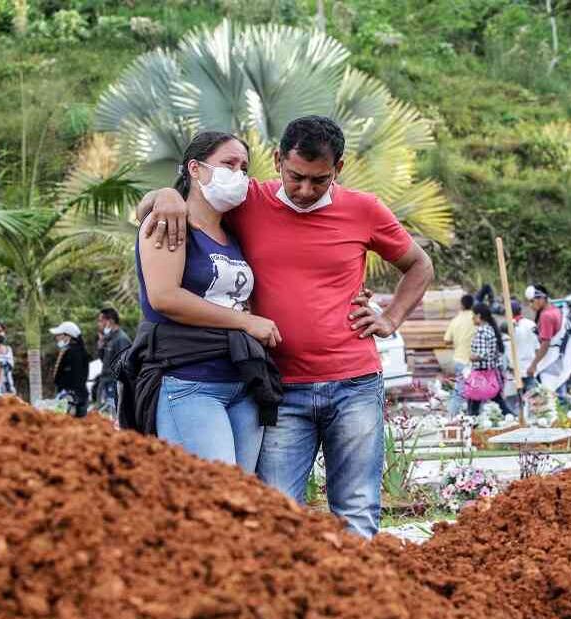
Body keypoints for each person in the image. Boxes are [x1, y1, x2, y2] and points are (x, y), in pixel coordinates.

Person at [140, 116, 434, 537]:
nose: (305, 190)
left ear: (340, 169)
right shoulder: (248, 201)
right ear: (277, 160)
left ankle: (360, 600)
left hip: (355, 383)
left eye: (320, 180)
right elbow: (194, 198)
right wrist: (165, 193)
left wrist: (390, 318)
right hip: (280, 387)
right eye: (296, 176)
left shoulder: (364, 209)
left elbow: (419, 265)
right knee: (276, 513)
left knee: (357, 508)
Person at [131, 131, 280, 472]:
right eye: (228, 163)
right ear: (195, 169)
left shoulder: (235, 234)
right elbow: (164, 297)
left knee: (243, 497)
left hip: (243, 380)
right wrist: (246, 322)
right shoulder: (169, 221)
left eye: (244, 167)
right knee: (215, 493)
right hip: (189, 381)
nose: (238, 173)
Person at [525, 284, 571, 393]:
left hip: (551, 361)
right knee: (560, 393)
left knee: (550, 397)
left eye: (532, 301)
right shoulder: (555, 310)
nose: (530, 305)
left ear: (541, 299)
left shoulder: (546, 316)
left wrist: (533, 365)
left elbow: (545, 344)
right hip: (561, 359)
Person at [465, 304, 508, 416]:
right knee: (498, 402)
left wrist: (472, 357)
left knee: (473, 403)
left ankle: (471, 426)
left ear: (478, 316)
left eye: (473, 315)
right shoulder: (490, 329)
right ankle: (512, 418)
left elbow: (482, 354)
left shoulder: (481, 332)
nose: (472, 318)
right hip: (491, 372)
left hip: (481, 374)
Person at [443, 293, 477, 417]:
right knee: (476, 392)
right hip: (474, 361)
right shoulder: (476, 319)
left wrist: (457, 341)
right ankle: (473, 417)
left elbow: (446, 340)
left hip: (459, 360)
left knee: (459, 392)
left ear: (461, 305)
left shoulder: (455, 320)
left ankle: (450, 417)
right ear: (473, 305)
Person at [95, 307, 131, 415]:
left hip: (113, 383)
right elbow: (104, 360)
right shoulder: (109, 338)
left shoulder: (121, 338)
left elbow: (124, 366)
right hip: (105, 381)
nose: (99, 324)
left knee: (113, 416)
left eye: (101, 321)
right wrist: (101, 346)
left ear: (110, 321)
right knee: (103, 414)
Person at [50, 321, 90, 418]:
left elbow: (73, 378)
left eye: (59, 335)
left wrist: (69, 397)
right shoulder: (82, 351)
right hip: (80, 397)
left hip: (70, 399)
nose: (56, 338)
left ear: (68, 336)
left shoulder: (70, 352)